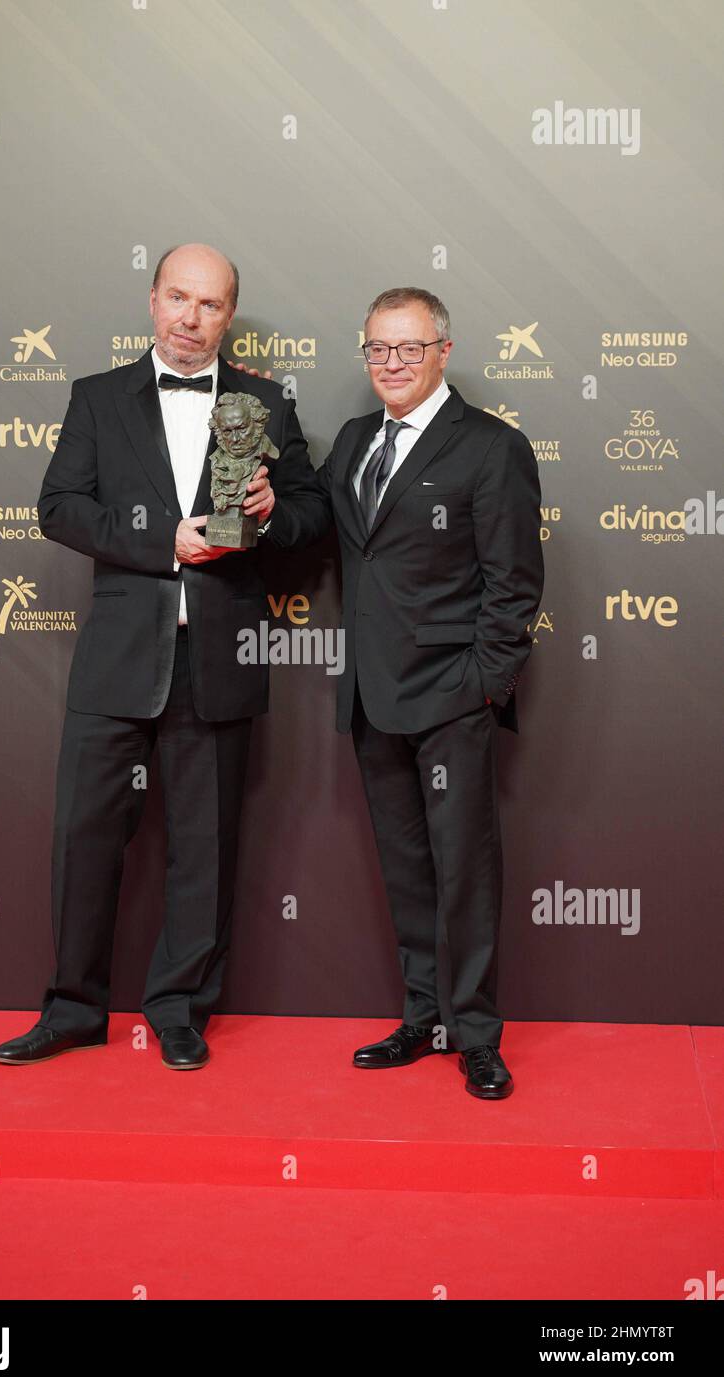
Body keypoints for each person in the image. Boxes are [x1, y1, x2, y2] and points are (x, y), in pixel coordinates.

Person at [0, 242, 322, 1072]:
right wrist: (158, 539)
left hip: (220, 660)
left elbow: (314, 518)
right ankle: (72, 1009)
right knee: (84, 840)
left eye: (210, 305)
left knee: (203, 849)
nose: (191, 317)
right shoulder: (98, 399)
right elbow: (58, 508)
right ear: (152, 300)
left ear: (228, 316)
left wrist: (275, 508)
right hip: (116, 663)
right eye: (179, 297)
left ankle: (180, 1009)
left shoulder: (267, 404)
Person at [265, 287, 545, 1098]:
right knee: (407, 871)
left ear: (442, 353)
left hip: (453, 700)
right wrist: (253, 462)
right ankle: (424, 1017)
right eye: (378, 350)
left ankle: (479, 1036)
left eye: (409, 349)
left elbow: (515, 586)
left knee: (467, 873)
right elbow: (309, 521)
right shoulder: (355, 440)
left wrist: (482, 688)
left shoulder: (491, 449)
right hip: (371, 698)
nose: (392, 364)